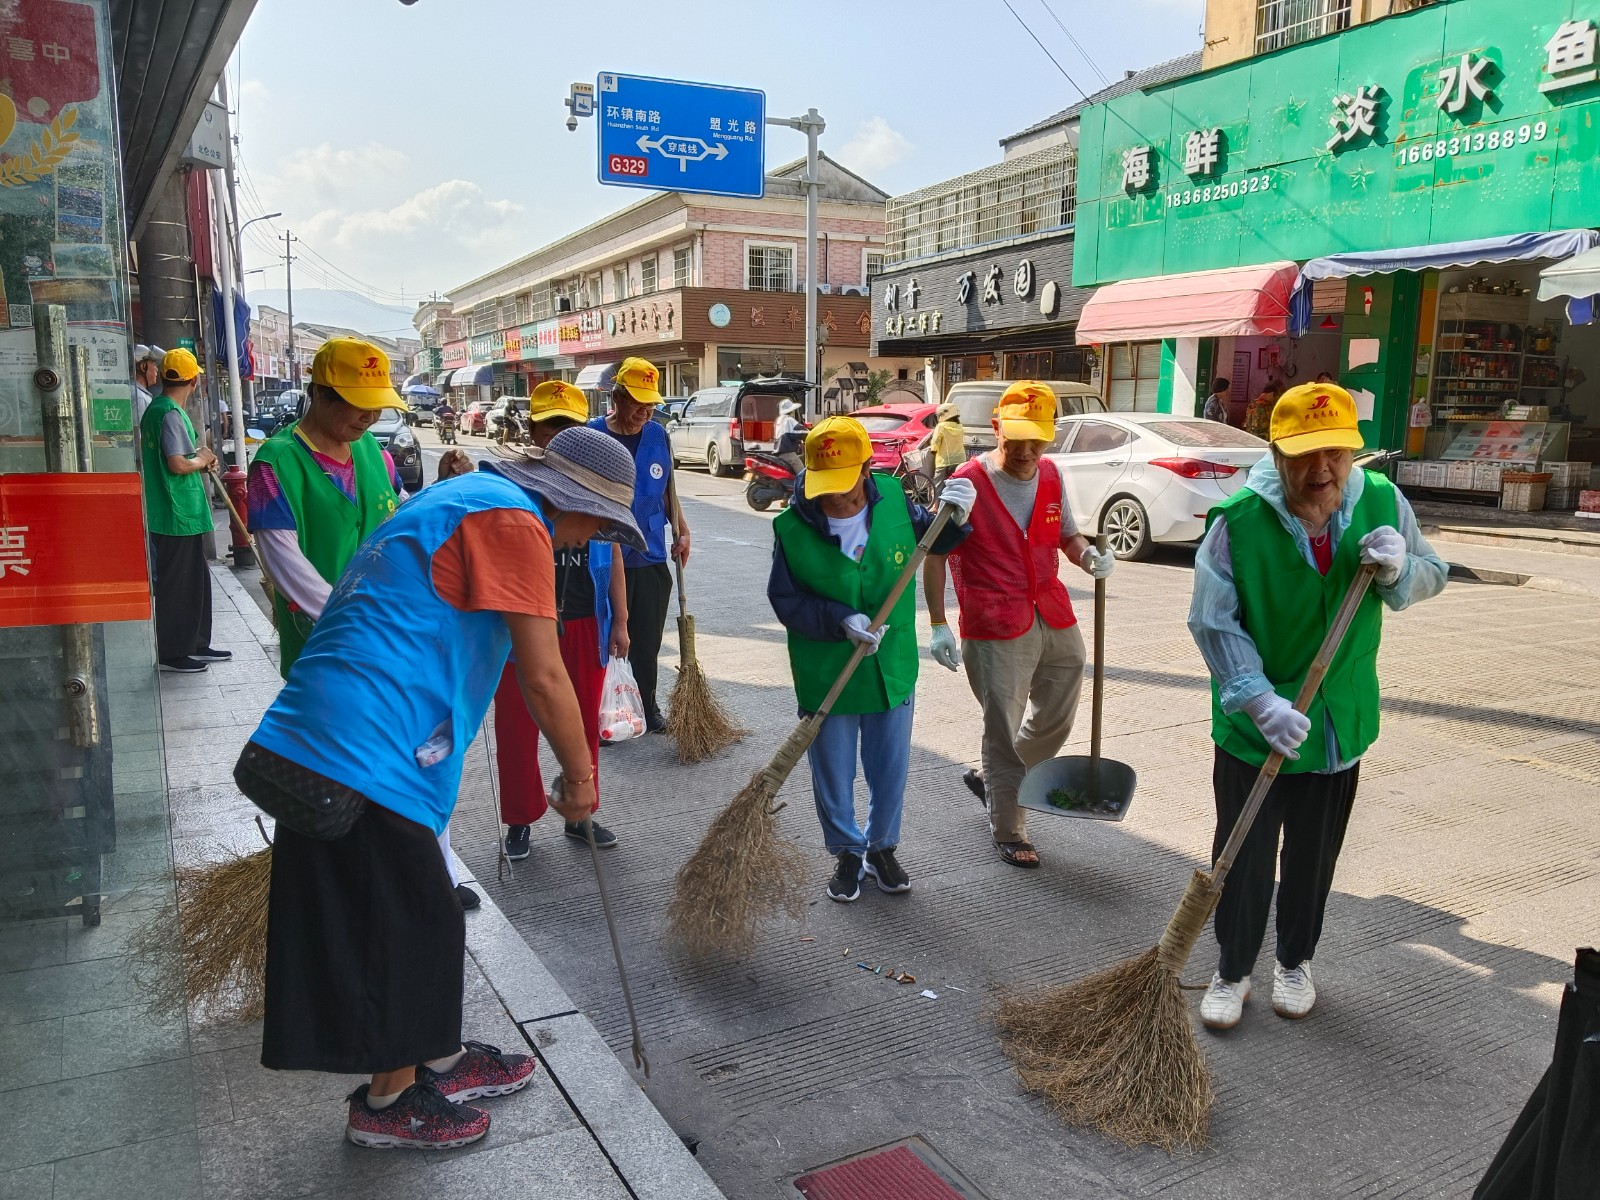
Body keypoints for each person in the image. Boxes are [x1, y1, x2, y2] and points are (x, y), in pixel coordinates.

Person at [238, 425, 644, 1150]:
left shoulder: (467, 496)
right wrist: (581, 778)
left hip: (337, 729)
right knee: (409, 921)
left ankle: (438, 1055)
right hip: (361, 744)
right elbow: (544, 673)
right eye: (599, 521)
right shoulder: (517, 523)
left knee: (412, 911)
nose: (591, 537)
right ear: (571, 502)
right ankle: (388, 1103)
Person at [1188, 382, 1447, 1032]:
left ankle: (1295, 962)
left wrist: (1398, 572)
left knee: (1313, 859)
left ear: (1352, 452)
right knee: (1242, 858)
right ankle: (1233, 970)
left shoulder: (1383, 501)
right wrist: (1257, 698)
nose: (1321, 470)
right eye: (1304, 455)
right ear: (1276, 454)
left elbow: (1432, 571)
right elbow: (1214, 623)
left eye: (1334, 453)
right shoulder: (1239, 523)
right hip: (1258, 733)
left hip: (1337, 727)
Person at [769, 416, 975, 901]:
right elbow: (785, 599)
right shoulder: (792, 526)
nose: (835, 499)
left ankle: (882, 847)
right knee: (833, 770)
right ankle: (846, 852)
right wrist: (839, 618)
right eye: (825, 486)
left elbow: (933, 539)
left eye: (845, 486)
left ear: (866, 469)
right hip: (828, 667)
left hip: (891, 663)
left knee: (890, 765)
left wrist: (960, 518)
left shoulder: (894, 499)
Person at [922, 381, 1115, 869]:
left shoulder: (1050, 474)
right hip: (994, 619)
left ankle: (993, 779)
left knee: (1059, 712)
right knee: (1002, 729)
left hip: (1050, 608)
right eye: (1018, 439)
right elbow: (933, 556)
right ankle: (1008, 825)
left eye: (1039, 439)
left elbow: (1066, 534)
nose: (1029, 451)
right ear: (995, 429)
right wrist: (940, 623)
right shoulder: (966, 483)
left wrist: (1087, 556)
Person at [493, 381, 630, 860]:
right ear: (534, 428)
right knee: (516, 725)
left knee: (581, 723)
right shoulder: (516, 494)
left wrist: (620, 620)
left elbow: (611, 551)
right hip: (520, 625)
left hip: (583, 618)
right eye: (550, 426)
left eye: (568, 427)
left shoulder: (594, 486)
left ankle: (581, 813)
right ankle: (520, 818)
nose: (557, 436)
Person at [247, 337, 405, 679]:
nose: (371, 417)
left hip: (384, 628)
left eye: (377, 405)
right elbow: (285, 564)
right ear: (320, 394)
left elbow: (402, 518)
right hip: (322, 639)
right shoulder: (275, 464)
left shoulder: (374, 452)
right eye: (359, 403)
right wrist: (349, 622)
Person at [589, 356, 689, 733]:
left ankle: (646, 706)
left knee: (646, 642)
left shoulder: (658, 435)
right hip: (601, 557)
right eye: (636, 403)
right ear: (617, 397)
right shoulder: (593, 435)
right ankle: (606, 711)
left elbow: (668, 492)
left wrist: (682, 528)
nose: (643, 412)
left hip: (649, 554)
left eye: (649, 405)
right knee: (606, 638)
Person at [139, 348, 230, 673]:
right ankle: (174, 651)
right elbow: (177, 464)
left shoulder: (160, 409)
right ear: (194, 381)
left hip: (179, 513)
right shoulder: (169, 413)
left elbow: (183, 456)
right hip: (174, 512)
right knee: (178, 584)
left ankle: (196, 643)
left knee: (194, 580)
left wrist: (201, 457)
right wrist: (202, 460)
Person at [927, 401, 967, 493]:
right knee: (956, 484)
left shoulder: (941, 426)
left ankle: (935, 506)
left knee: (938, 485)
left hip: (944, 460)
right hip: (959, 459)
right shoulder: (960, 426)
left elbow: (936, 441)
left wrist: (933, 450)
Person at [132, 343, 163, 425]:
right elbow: (139, 432)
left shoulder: (133, 390)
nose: (156, 369)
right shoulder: (140, 398)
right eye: (153, 364)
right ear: (143, 366)